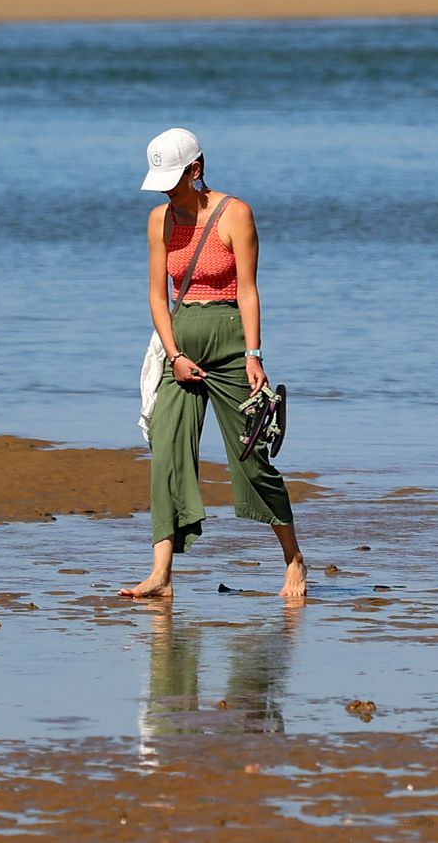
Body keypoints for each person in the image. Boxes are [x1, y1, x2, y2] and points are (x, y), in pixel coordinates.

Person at [122, 127, 306, 599]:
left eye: (172, 179)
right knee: (167, 452)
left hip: (230, 348)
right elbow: (156, 297)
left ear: (196, 170)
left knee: (252, 457)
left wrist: (253, 355)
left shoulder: (235, 214)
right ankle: (161, 574)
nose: (165, 188)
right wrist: (175, 355)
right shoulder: (158, 220)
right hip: (179, 348)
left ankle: (294, 560)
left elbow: (247, 291)